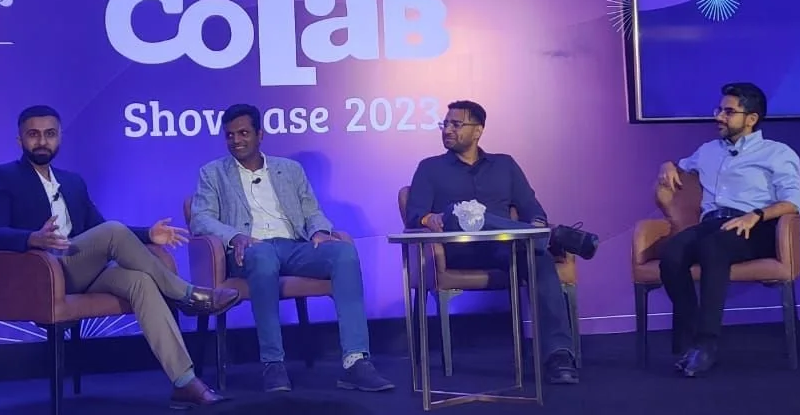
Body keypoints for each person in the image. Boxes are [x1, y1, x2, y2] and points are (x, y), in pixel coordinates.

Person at [0, 105, 241, 408]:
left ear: (60, 137)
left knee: (140, 281)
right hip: (42, 272)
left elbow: (99, 230)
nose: (42, 141)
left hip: (80, 267)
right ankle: (187, 295)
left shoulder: (72, 181)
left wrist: (148, 235)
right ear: (20, 140)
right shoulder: (2, 176)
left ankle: (184, 382)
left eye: (49, 134)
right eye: (33, 135)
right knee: (115, 232)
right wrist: (32, 238)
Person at [189, 104, 395, 394]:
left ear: (260, 134)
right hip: (251, 250)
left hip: (294, 247)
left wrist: (321, 232)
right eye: (230, 135)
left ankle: (355, 361)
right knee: (261, 257)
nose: (236, 140)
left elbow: (312, 211)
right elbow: (201, 218)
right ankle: (273, 363)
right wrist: (235, 236)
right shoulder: (213, 173)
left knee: (344, 252)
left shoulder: (290, 169)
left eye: (244, 133)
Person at [404, 100, 581, 385]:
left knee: (539, 259)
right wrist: (429, 219)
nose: (447, 129)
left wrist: (535, 225)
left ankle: (558, 354)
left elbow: (533, 210)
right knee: (461, 212)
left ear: (478, 131)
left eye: (455, 124)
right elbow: (414, 214)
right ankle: (550, 237)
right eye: (445, 124)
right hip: (457, 250)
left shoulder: (505, 164)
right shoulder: (430, 168)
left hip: (504, 249)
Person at [656, 83, 800, 377]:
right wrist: (667, 164)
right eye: (719, 110)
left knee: (713, 248)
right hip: (713, 223)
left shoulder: (777, 153)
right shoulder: (708, 151)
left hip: (755, 226)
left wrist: (756, 215)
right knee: (672, 252)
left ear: (751, 119)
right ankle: (691, 338)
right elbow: (681, 165)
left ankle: (707, 343)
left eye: (728, 112)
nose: (719, 117)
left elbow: (794, 201)